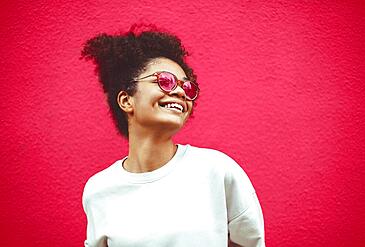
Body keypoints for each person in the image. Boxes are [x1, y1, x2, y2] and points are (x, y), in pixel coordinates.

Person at [81, 24, 265, 247]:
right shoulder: (98, 190)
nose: (179, 92)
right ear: (126, 100)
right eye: (165, 81)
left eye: (187, 87)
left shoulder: (217, 171)